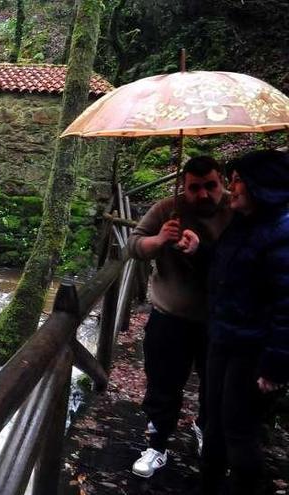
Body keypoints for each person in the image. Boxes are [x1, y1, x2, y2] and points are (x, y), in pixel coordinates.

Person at [127, 156, 233, 478]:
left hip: (219, 318)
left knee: (215, 384)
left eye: (211, 186)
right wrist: (159, 240)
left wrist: (202, 249)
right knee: (163, 382)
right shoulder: (166, 209)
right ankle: (157, 444)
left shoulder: (237, 209)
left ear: (223, 182)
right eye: (194, 188)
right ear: (184, 187)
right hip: (170, 315)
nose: (203, 195)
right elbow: (133, 245)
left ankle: (205, 428)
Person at [201, 149, 289, 494]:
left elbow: (287, 305)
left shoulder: (281, 232)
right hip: (224, 338)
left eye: (238, 180)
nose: (231, 187)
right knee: (214, 423)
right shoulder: (245, 222)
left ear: (261, 186)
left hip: (252, 349)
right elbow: (234, 272)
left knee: (238, 430)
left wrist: (274, 366)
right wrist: (200, 250)